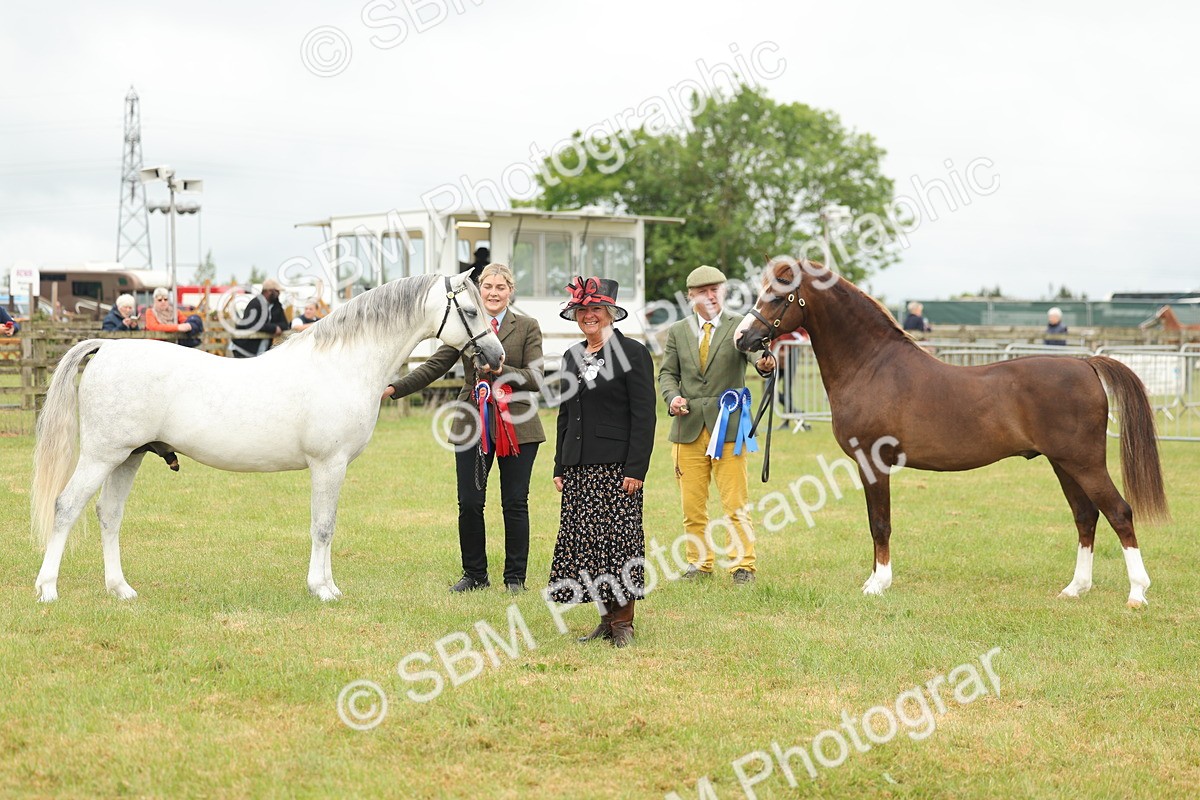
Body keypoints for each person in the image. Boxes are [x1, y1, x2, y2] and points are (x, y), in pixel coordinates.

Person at [384, 264, 545, 594]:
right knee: (470, 502)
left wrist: (502, 370)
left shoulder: (527, 326)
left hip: (518, 427)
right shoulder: (467, 324)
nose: (493, 292)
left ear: (510, 291)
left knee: (515, 502)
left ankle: (515, 579)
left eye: (501, 287)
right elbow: (434, 367)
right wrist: (394, 389)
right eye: (487, 286)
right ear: (479, 290)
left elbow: (536, 377)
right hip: (472, 424)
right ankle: (475, 575)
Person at [547, 276, 655, 648]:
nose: (588, 316)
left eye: (595, 309)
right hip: (579, 466)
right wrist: (561, 464)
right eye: (583, 310)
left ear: (609, 313)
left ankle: (624, 623)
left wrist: (635, 468)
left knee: (618, 542)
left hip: (616, 467)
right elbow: (565, 414)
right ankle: (605, 620)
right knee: (588, 545)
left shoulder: (634, 354)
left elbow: (645, 416)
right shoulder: (571, 356)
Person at [658, 265, 776, 585]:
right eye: (703, 291)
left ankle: (743, 565)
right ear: (691, 296)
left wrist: (764, 363)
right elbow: (667, 373)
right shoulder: (678, 331)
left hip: (729, 431)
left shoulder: (740, 325)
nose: (710, 296)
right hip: (688, 429)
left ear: (724, 291)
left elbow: (754, 355)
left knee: (734, 502)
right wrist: (672, 397)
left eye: (716, 290)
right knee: (692, 506)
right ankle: (699, 564)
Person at [231, 278, 288, 357]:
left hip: (260, 351)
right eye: (277, 291)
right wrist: (274, 328)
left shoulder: (276, 306)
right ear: (269, 291)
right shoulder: (255, 304)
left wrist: (274, 327)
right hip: (243, 348)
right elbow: (251, 324)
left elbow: (285, 324)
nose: (279, 294)